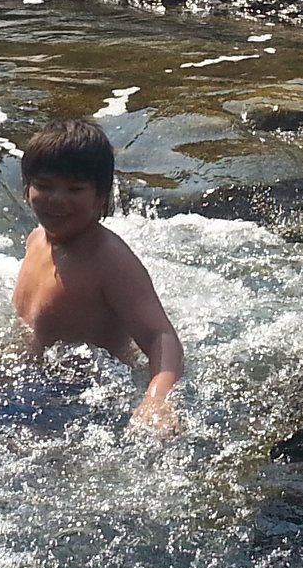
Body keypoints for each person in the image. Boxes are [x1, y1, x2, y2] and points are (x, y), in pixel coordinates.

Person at [12, 118, 185, 437]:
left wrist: (156, 400)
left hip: (85, 400)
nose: (57, 199)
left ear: (101, 197)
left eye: (75, 189)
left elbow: (162, 337)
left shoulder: (110, 260)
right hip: (32, 385)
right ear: (26, 188)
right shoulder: (37, 238)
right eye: (45, 186)